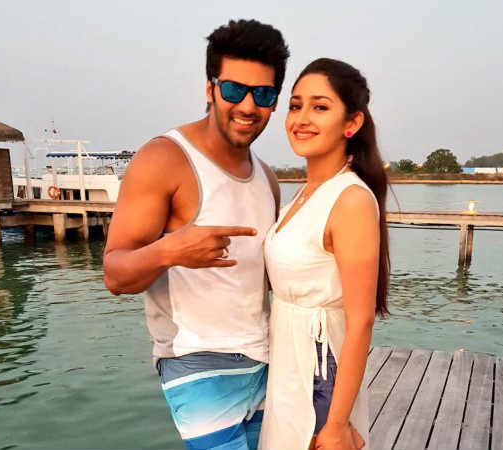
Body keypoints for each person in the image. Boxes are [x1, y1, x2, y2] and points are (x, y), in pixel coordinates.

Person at [103, 19, 289, 450]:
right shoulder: (165, 158)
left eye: (263, 95)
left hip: (265, 359)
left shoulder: (268, 178)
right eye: (234, 90)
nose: (248, 105)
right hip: (197, 362)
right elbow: (114, 275)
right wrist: (169, 250)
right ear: (210, 88)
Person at [258, 58, 390, 450]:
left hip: (319, 372)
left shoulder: (350, 200)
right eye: (295, 106)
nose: (301, 118)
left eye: (320, 107)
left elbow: (361, 321)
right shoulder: (304, 195)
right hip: (289, 367)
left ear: (352, 123)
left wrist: (336, 423)